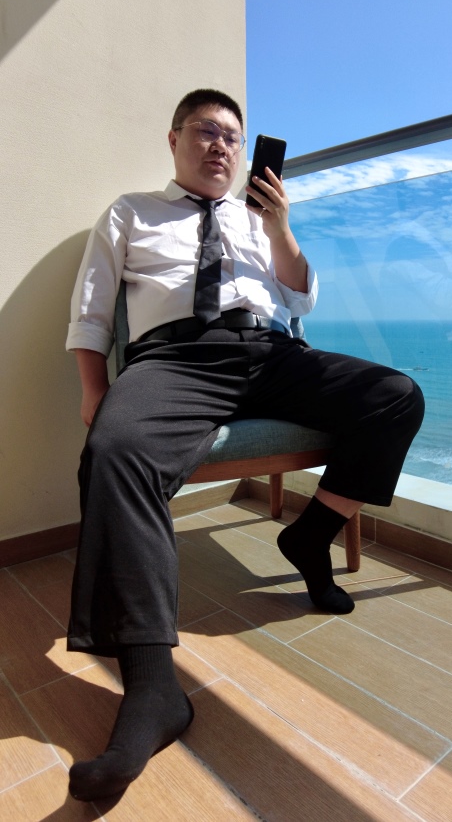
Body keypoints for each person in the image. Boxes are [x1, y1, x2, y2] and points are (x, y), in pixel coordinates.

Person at [65, 88, 424, 801]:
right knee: (113, 451)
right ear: (174, 139)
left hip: (270, 354)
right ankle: (153, 687)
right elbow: (92, 308)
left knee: (396, 395)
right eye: (206, 130)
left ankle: (311, 536)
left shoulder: (258, 218)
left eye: (232, 136)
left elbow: (300, 299)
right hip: (176, 360)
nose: (222, 146)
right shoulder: (131, 211)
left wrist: (280, 227)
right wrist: (93, 388)